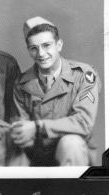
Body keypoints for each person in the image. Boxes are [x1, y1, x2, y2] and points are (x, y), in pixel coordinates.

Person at [10, 16, 101, 166]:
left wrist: (38, 127)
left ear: (59, 45)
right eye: (34, 48)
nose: (41, 53)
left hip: (73, 154)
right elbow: (22, 126)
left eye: (46, 45)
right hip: (37, 154)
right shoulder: (21, 83)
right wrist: (19, 132)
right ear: (29, 51)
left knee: (71, 143)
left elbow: (83, 122)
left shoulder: (84, 75)